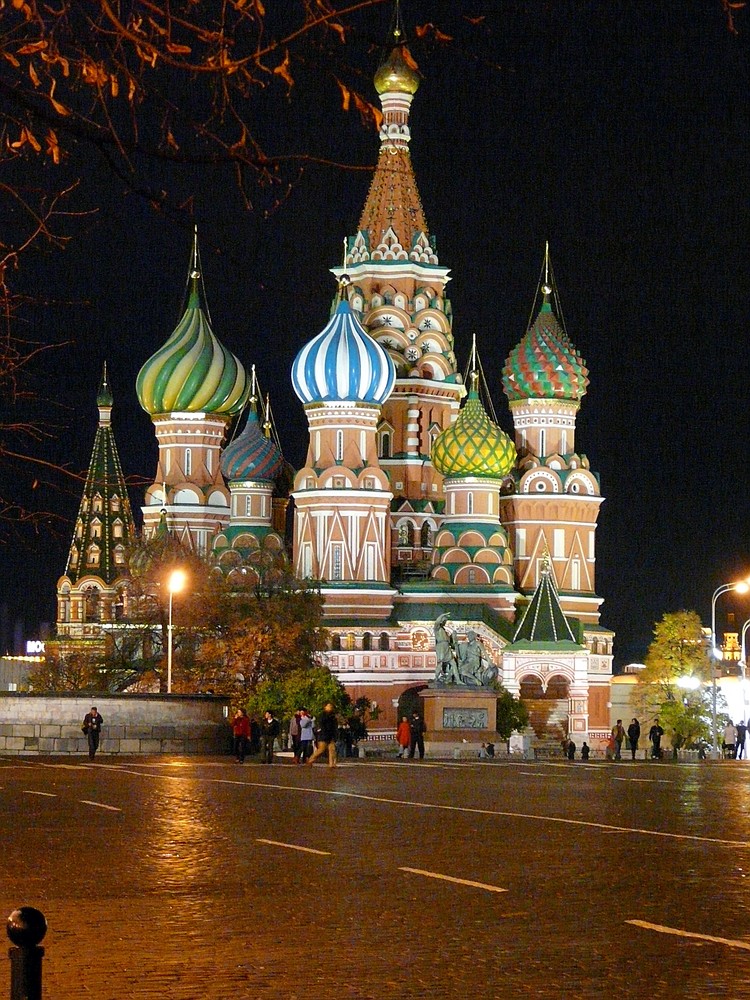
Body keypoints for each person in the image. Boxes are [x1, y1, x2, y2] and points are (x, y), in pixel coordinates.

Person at [306, 702, 338, 768]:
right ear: (325, 707)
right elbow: (321, 725)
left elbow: (335, 726)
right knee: (321, 750)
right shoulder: (322, 716)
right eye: (328, 706)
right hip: (323, 735)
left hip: (331, 735)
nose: (330, 707)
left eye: (331, 706)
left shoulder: (333, 716)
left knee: (332, 750)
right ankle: (310, 760)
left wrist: (335, 735)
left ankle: (332, 764)